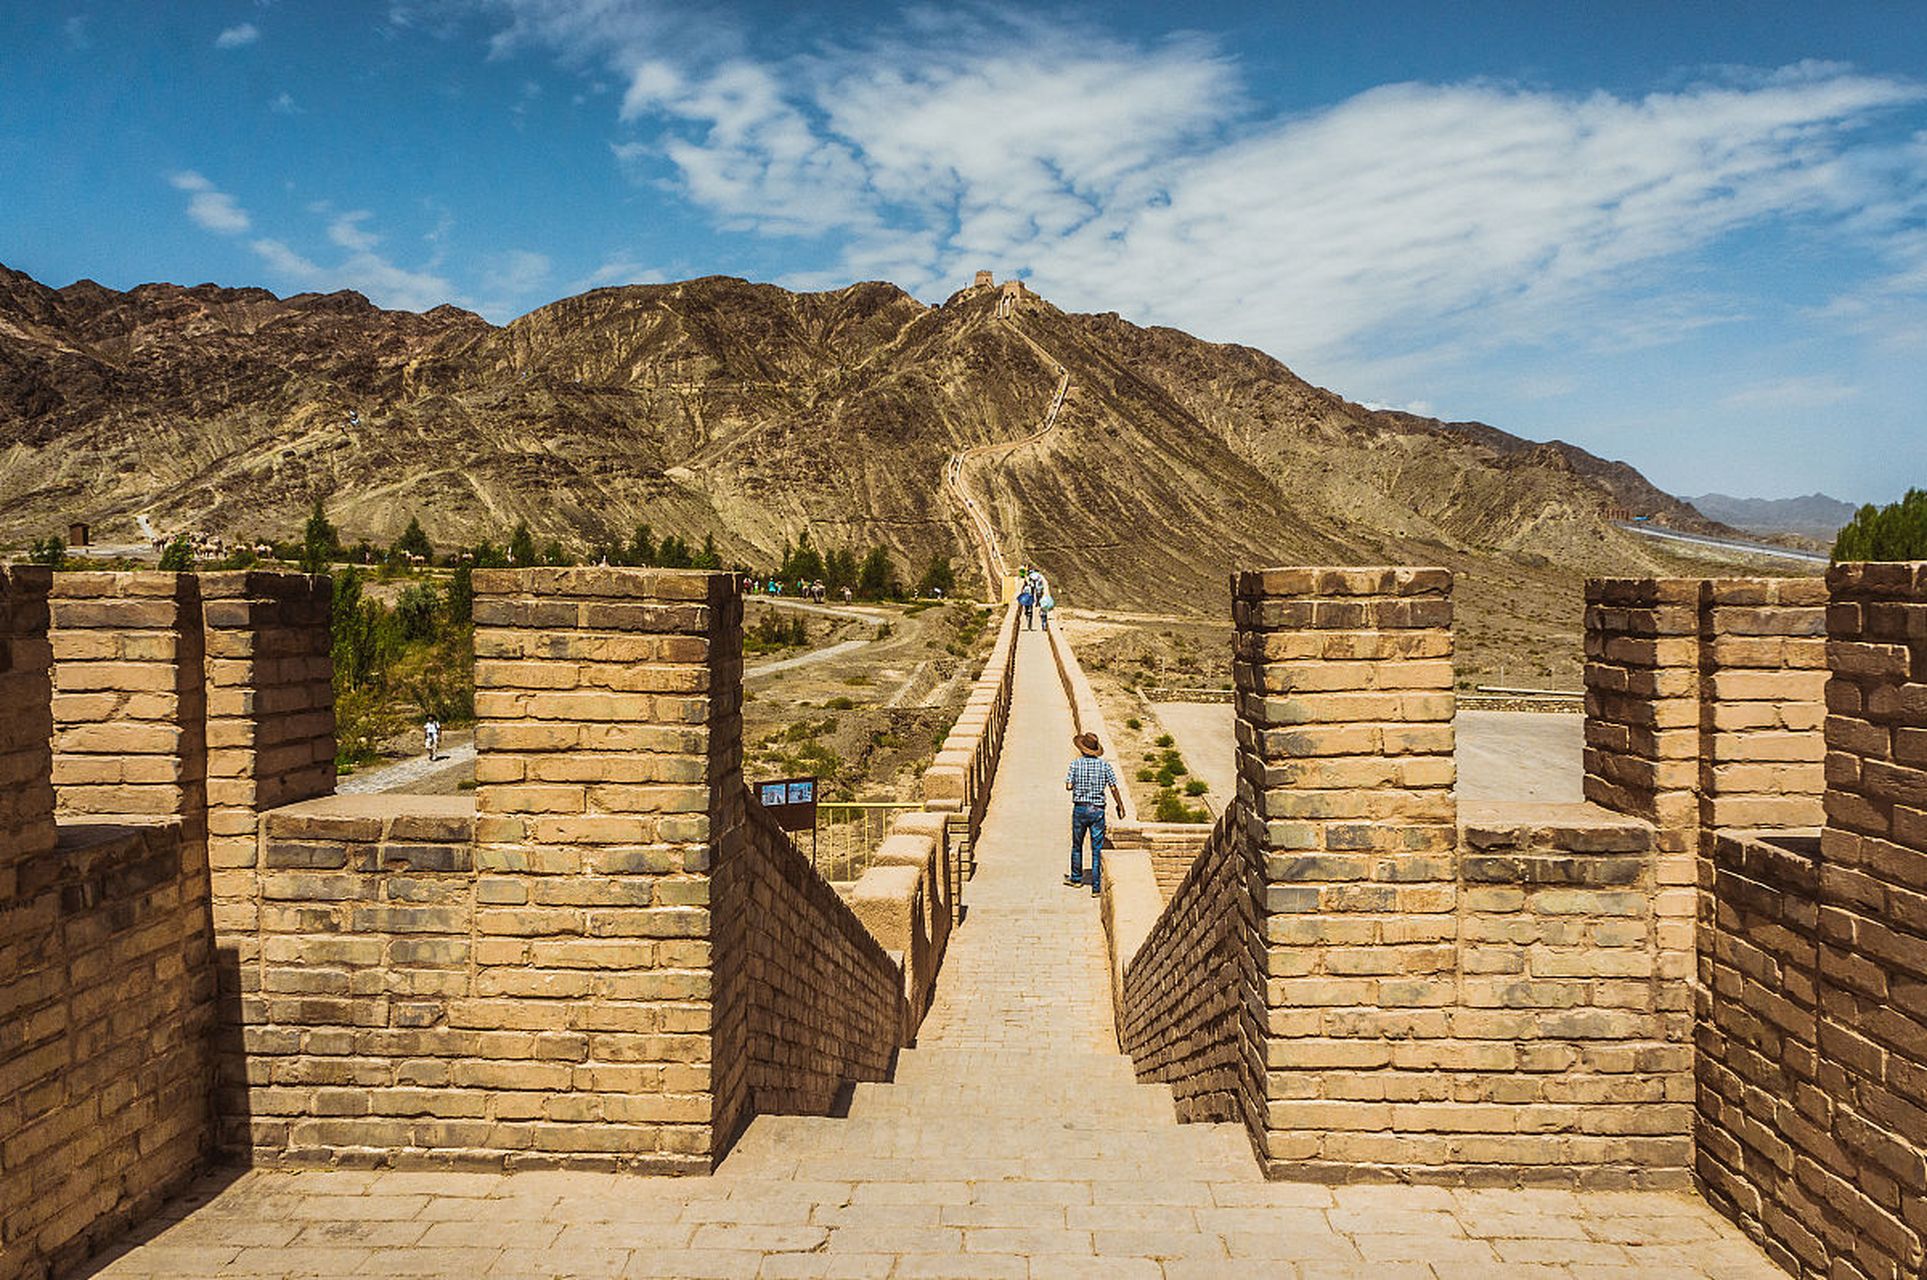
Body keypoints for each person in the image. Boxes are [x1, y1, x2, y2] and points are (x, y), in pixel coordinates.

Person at [1065, 732, 1125, 894]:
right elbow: (1113, 787)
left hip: (1081, 808)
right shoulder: (1105, 766)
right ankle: (1096, 887)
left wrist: (1078, 785)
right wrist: (1120, 805)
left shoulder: (1075, 764)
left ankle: (1076, 879)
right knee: (1096, 848)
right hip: (1097, 810)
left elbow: (1069, 786)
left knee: (1077, 845)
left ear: (1082, 748)